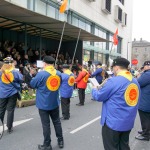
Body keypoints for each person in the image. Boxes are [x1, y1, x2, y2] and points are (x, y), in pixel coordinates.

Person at [92, 57, 140, 150]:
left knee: (111, 147)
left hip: (113, 123)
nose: (113, 70)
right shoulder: (135, 81)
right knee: (124, 146)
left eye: (113, 67)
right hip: (128, 122)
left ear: (117, 68)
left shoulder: (114, 81)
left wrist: (94, 89)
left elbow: (99, 96)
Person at [30, 56, 64, 150]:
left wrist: (33, 76)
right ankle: (60, 141)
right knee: (57, 122)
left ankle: (47, 145)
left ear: (44, 64)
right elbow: (59, 84)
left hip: (43, 103)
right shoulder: (58, 73)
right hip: (55, 102)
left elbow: (32, 84)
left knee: (46, 125)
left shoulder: (41, 74)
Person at [0, 57, 23, 133]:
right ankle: (9, 128)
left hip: (2, 93)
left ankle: (1, 124)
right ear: (11, 63)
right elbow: (20, 79)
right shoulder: (14, 71)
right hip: (12, 93)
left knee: (1, 109)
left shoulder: (1, 71)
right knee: (10, 110)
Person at [135, 61, 150, 141]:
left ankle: (146, 134)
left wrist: (138, 76)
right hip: (147, 99)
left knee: (145, 117)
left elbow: (138, 82)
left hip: (146, 100)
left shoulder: (147, 74)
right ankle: (146, 131)